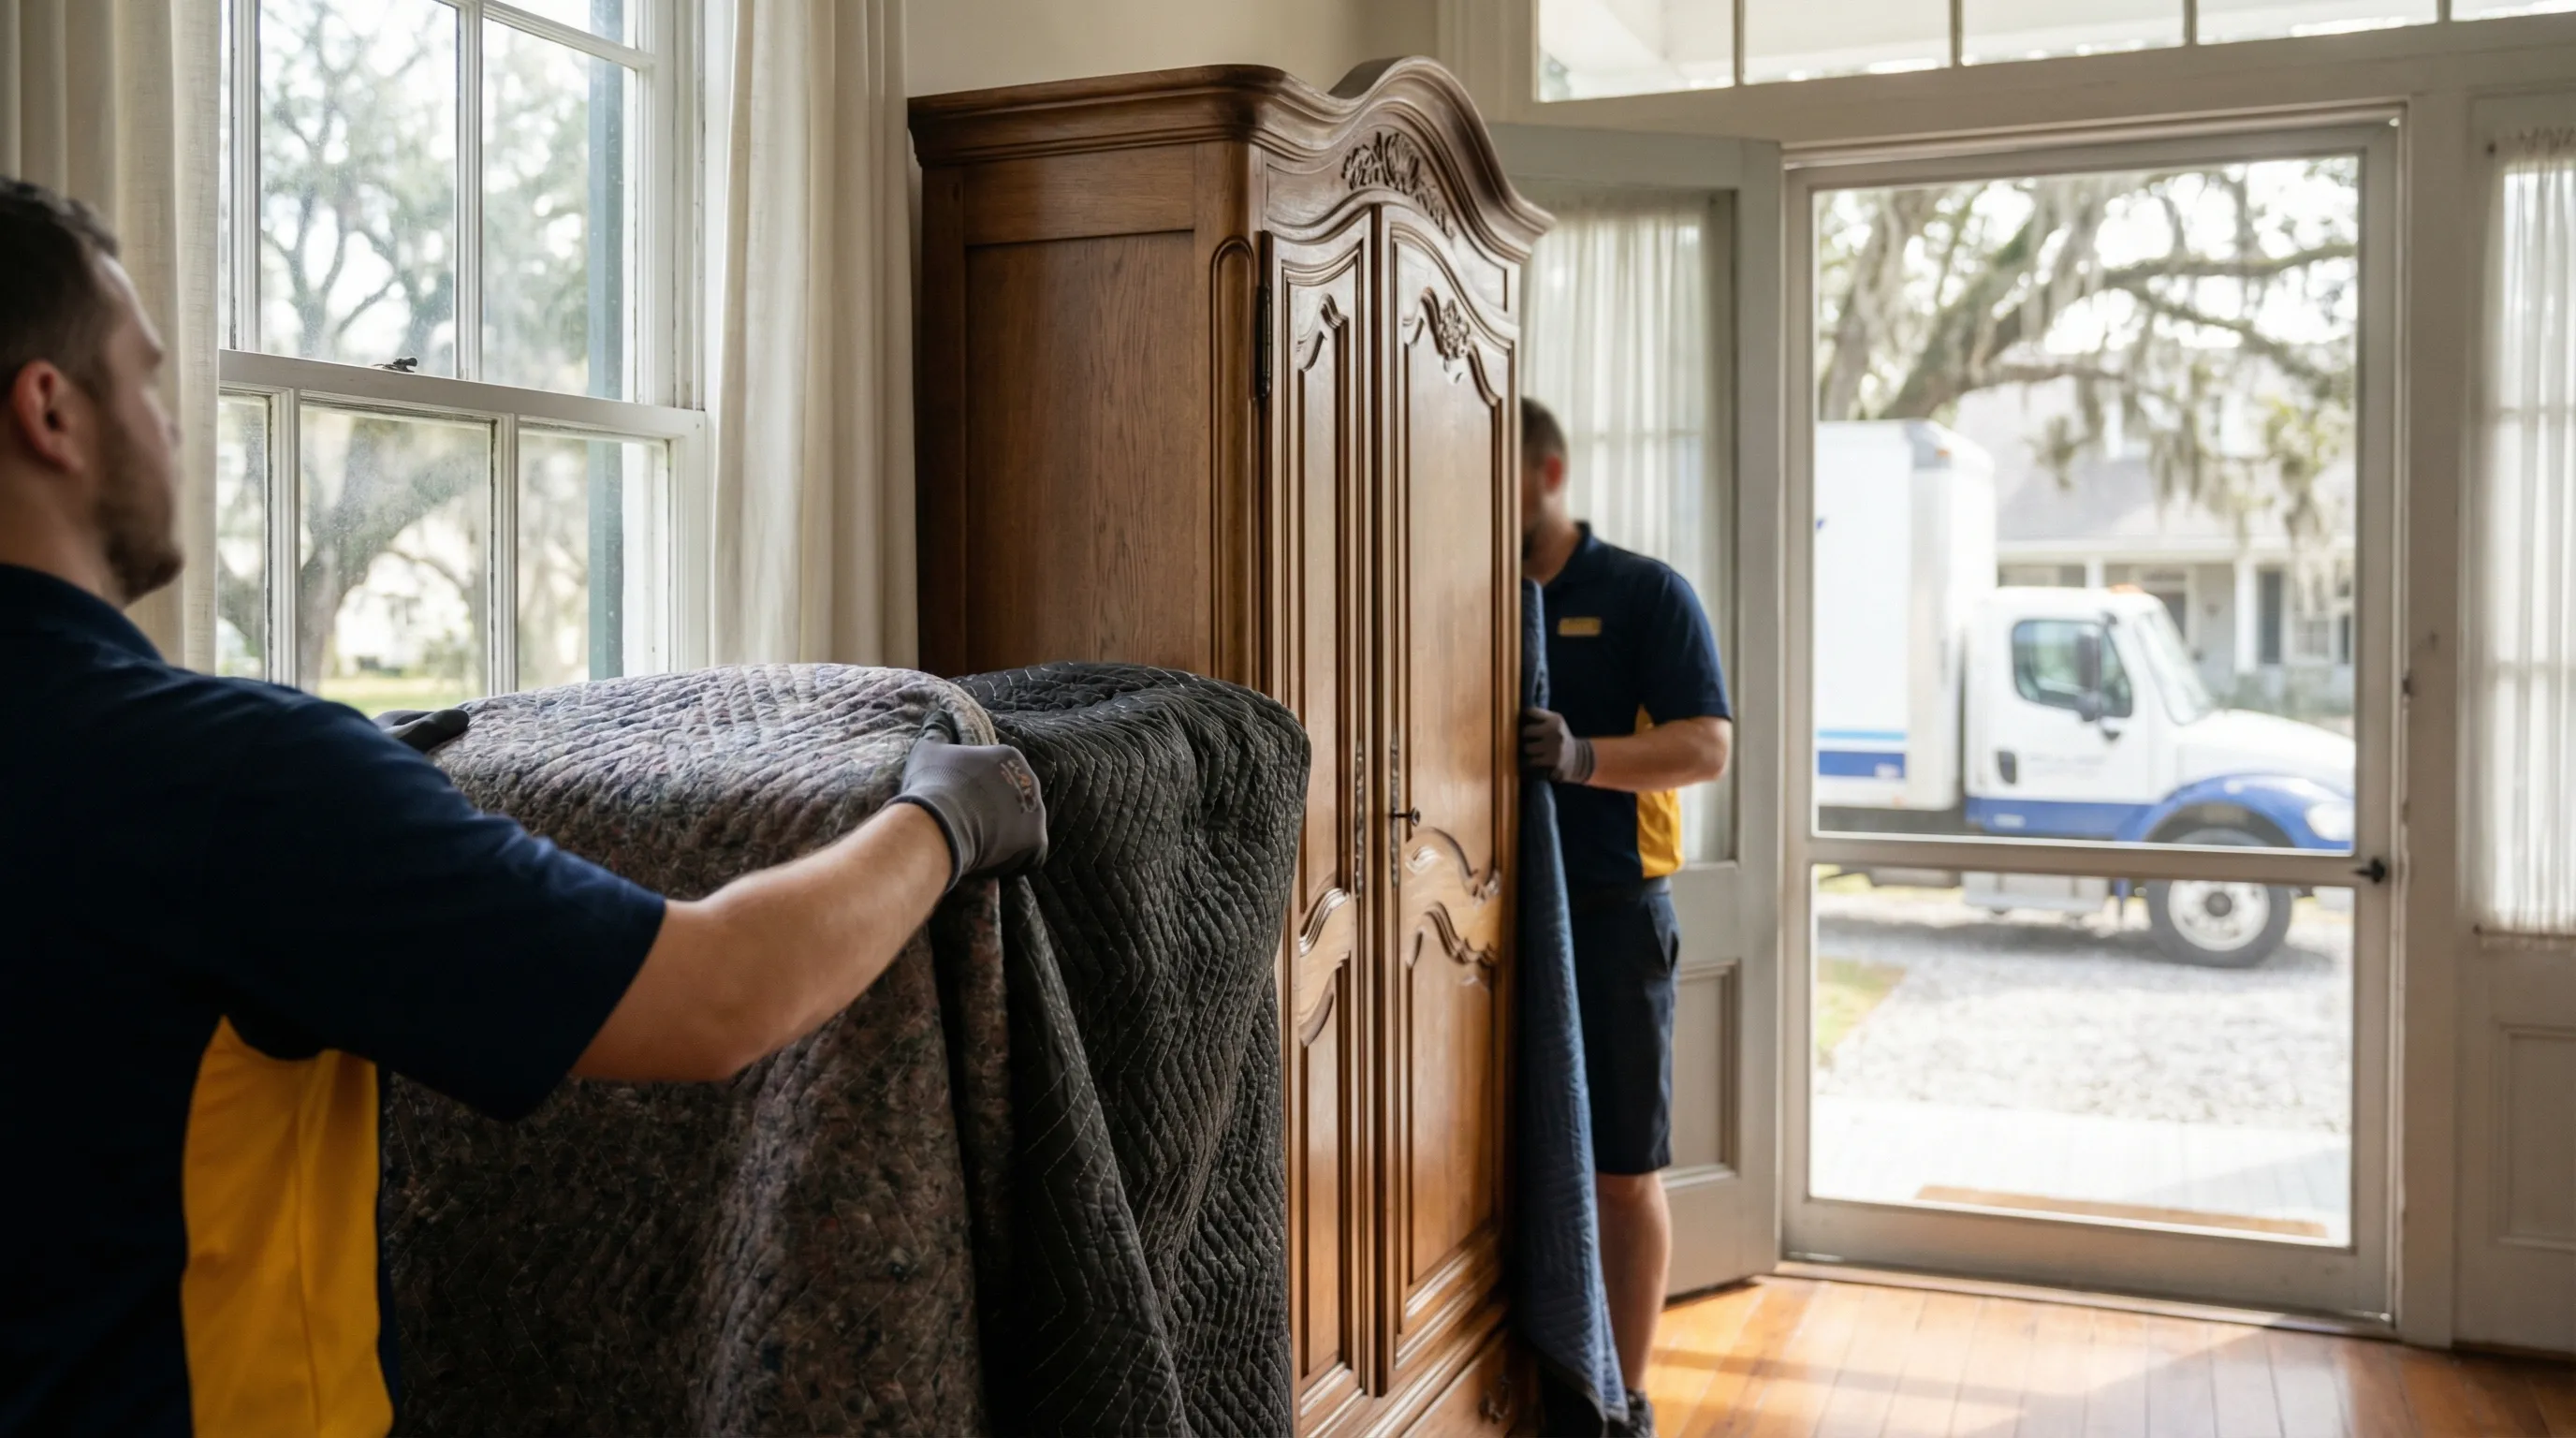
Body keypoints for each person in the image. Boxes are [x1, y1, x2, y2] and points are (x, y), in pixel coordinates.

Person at [0, 180, 1047, 1437]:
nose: (175, 429)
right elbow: (718, 994)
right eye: (148, 383)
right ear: (49, 410)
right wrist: (941, 823)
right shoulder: (235, 787)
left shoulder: (235, 788)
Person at [1517, 397, 1733, 1437]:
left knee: (1619, 1169)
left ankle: (1625, 1402)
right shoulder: (1458, 589)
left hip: (1610, 919)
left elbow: (1706, 747)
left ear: (1548, 473)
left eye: (1494, 471)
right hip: (1478, 924)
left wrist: (1583, 758)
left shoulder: (1645, 593)